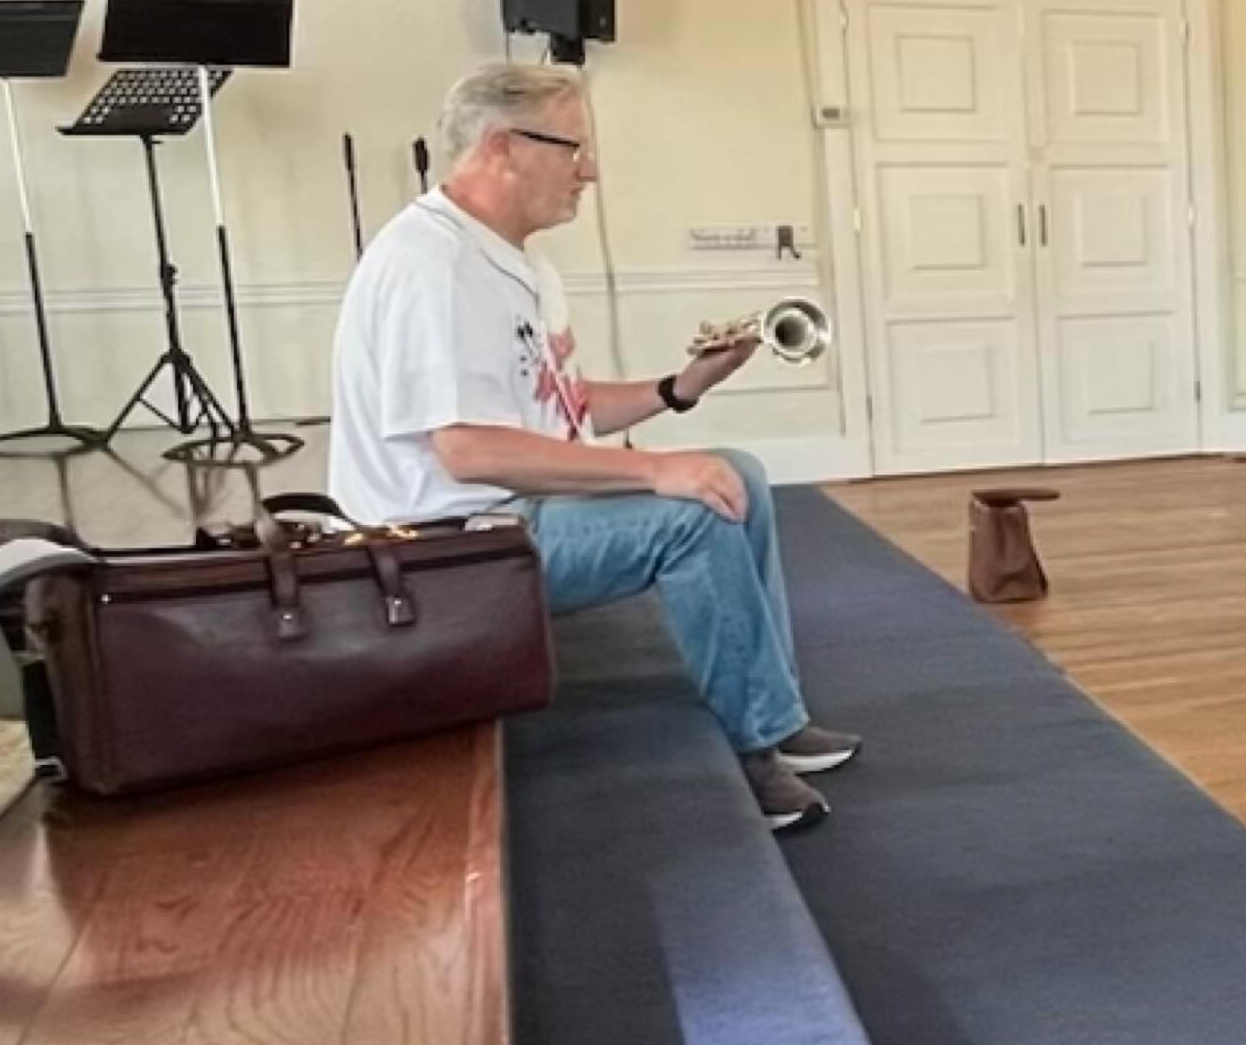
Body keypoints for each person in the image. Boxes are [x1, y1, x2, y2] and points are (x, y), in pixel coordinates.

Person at [328, 62, 859, 831]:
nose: (593, 172)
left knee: (735, 473)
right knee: (693, 513)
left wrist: (682, 385)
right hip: (443, 547)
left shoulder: (520, 262)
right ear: (504, 145)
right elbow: (469, 450)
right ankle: (751, 751)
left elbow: (559, 411)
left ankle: (774, 713)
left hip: (513, 510)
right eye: (575, 148)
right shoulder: (430, 266)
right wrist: (657, 468)